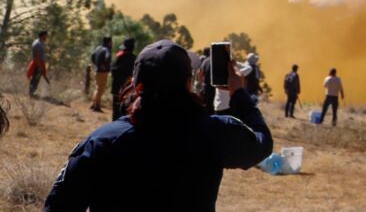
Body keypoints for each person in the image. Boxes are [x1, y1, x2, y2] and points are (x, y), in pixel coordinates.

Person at [44, 39, 273, 212]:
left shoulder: (103, 142)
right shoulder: (214, 133)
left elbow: (58, 207)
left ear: (136, 85)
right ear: (188, 83)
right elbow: (261, 143)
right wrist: (239, 93)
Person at [110, 37, 136, 120]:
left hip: (117, 89)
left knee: (116, 111)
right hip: (129, 90)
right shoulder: (135, 59)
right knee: (126, 111)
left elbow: (113, 71)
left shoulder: (119, 57)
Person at [89, 37, 112, 112]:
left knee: (97, 88)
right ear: (109, 42)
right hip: (103, 72)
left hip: (97, 71)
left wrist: (96, 64)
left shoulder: (98, 48)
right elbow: (107, 57)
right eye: (111, 42)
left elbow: (92, 56)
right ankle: (97, 106)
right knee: (100, 89)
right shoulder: (106, 50)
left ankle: (93, 104)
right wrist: (105, 65)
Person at [28, 30, 49, 97]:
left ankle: (33, 92)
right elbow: (36, 57)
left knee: (36, 79)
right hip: (37, 64)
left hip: (39, 63)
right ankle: (32, 93)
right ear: (43, 36)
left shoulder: (40, 43)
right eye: (46, 36)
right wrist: (39, 66)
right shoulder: (37, 44)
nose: (46, 37)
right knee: (35, 79)